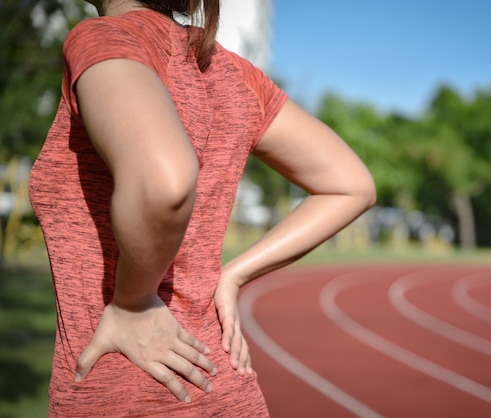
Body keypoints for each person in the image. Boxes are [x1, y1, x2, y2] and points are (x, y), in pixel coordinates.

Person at [29, 0, 376, 416]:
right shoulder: (234, 74)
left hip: (132, 390)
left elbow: (165, 180)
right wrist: (234, 275)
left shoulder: (105, 37)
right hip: (224, 387)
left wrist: (132, 304)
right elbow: (351, 186)